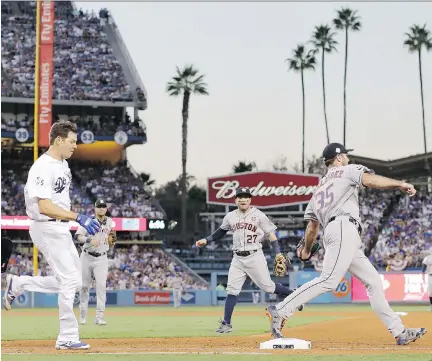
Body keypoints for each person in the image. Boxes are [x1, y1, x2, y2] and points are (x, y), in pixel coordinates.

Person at [266, 143, 427, 345]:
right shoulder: (347, 170)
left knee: (374, 282)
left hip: (337, 233)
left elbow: (312, 228)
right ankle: (280, 310)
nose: (348, 158)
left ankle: (399, 331)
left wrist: (306, 250)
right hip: (344, 228)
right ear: (339, 158)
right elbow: (370, 180)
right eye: (346, 155)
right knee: (328, 280)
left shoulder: (318, 190)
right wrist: (400, 184)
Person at [2, 121, 100, 350]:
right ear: (58, 140)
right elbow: (44, 206)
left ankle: (19, 282)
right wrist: (78, 217)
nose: (75, 145)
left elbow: (58, 200)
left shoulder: (63, 165)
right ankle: (67, 337)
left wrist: (74, 221)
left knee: (76, 281)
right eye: (72, 141)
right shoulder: (42, 167)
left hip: (61, 228)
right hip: (45, 226)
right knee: (68, 280)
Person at [196, 187, 303, 334]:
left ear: (250, 200)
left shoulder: (258, 215)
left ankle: (294, 294)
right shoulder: (230, 216)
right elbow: (221, 231)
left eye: (246, 197)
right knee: (232, 290)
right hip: (238, 258)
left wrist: (278, 253)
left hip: (255, 256)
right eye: (240, 197)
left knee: (268, 287)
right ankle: (226, 323)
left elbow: (271, 234)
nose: (243, 199)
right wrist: (206, 240)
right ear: (236, 200)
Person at [75, 199, 116, 325]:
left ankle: (99, 317)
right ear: (95, 208)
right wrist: (89, 240)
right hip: (87, 256)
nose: (102, 209)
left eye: (104, 206)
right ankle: (82, 314)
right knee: (84, 287)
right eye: (99, 206)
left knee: (101, 287)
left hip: (102, 258)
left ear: (106, 208)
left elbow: (112, 240)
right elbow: (77, 236)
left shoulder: (110, 222)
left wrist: (112, 240)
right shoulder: (88, 221)